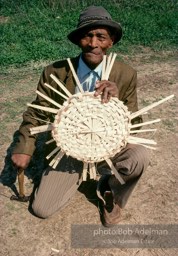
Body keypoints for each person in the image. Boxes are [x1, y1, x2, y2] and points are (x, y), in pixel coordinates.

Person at [11, 6, 149, 226]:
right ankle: (74, 176)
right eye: (87, 36)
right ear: (78, 40)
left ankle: (111, 190)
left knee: (139, 156)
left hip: (108, 144)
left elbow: (136, 124)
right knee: (41, 209)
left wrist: (119, 100)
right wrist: (24, 148)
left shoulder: (125, 74)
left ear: (111, 41)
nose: (93, 43)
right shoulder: (55, 72)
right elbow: (36, 113)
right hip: (68, 149)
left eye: (101, 37)